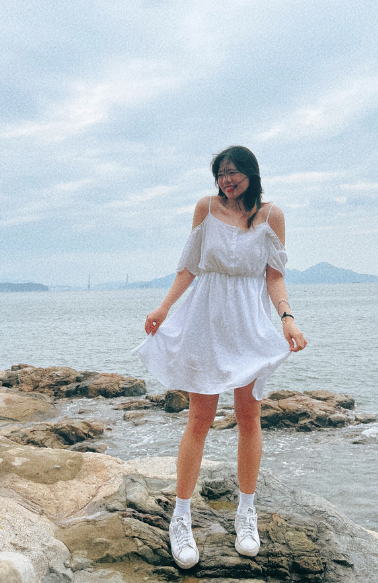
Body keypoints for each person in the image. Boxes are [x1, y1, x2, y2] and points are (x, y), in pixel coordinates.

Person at [131, 146, 308, 569]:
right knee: (199, 418)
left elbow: (275, 275)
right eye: (221, 175)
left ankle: (246, 512)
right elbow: (189, 267)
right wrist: (163, 308)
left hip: (249, 323)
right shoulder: (205, 209)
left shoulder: (272, 216)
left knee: (249, 417)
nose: (227, 182)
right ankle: (181, 516)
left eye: (234, 174)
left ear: (251, 174)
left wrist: (286, 318)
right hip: (205, 320)